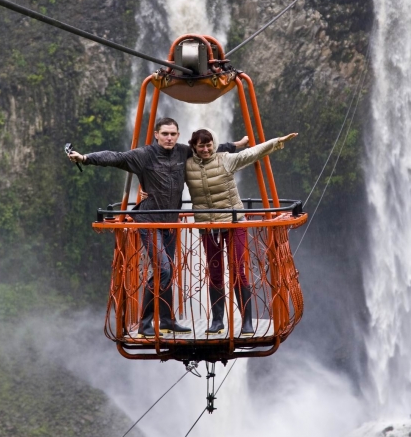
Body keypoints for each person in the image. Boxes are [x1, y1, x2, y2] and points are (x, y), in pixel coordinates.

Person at [67, 118, 248, 337]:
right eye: (165, 134)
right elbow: (115, 157)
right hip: (149, 221)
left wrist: (235, 145)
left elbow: (208, 147)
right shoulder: (144, 155)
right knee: (163, 270)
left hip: (169, 223)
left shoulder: (184, 152)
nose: (169, 138)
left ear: (178, 135)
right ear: (156, 134)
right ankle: (145, 324)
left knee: (167, 272)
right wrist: (85, 158)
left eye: (173, 134)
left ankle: (167, 320)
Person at [185, 128, 298, 336]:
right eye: (201, 145)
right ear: (194, 146)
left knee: (238, 270)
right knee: (215, 273)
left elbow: (251, 153)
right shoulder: (187, 165)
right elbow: (164, 176)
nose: (206, 149)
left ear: (214, 143)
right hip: (208, 226)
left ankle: (246, 320)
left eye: (209, 144)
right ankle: (217, 321)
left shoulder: (225, 159)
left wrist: (277, 141)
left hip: (234, 222)